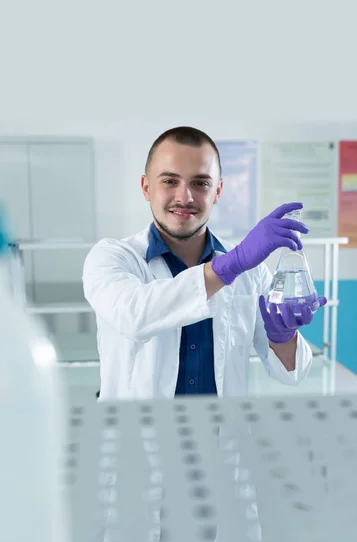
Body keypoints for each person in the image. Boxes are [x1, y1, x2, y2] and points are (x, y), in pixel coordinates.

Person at [83, 126, 326, 400]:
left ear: (218, 191)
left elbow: (290, 372)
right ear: (146, 187)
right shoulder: (112, 257)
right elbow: (133, 316)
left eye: (200, 183)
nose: (185, 197)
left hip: (221, 439)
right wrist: (229, 266)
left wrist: (283, 337)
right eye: (169, 181)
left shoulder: (251, 271)